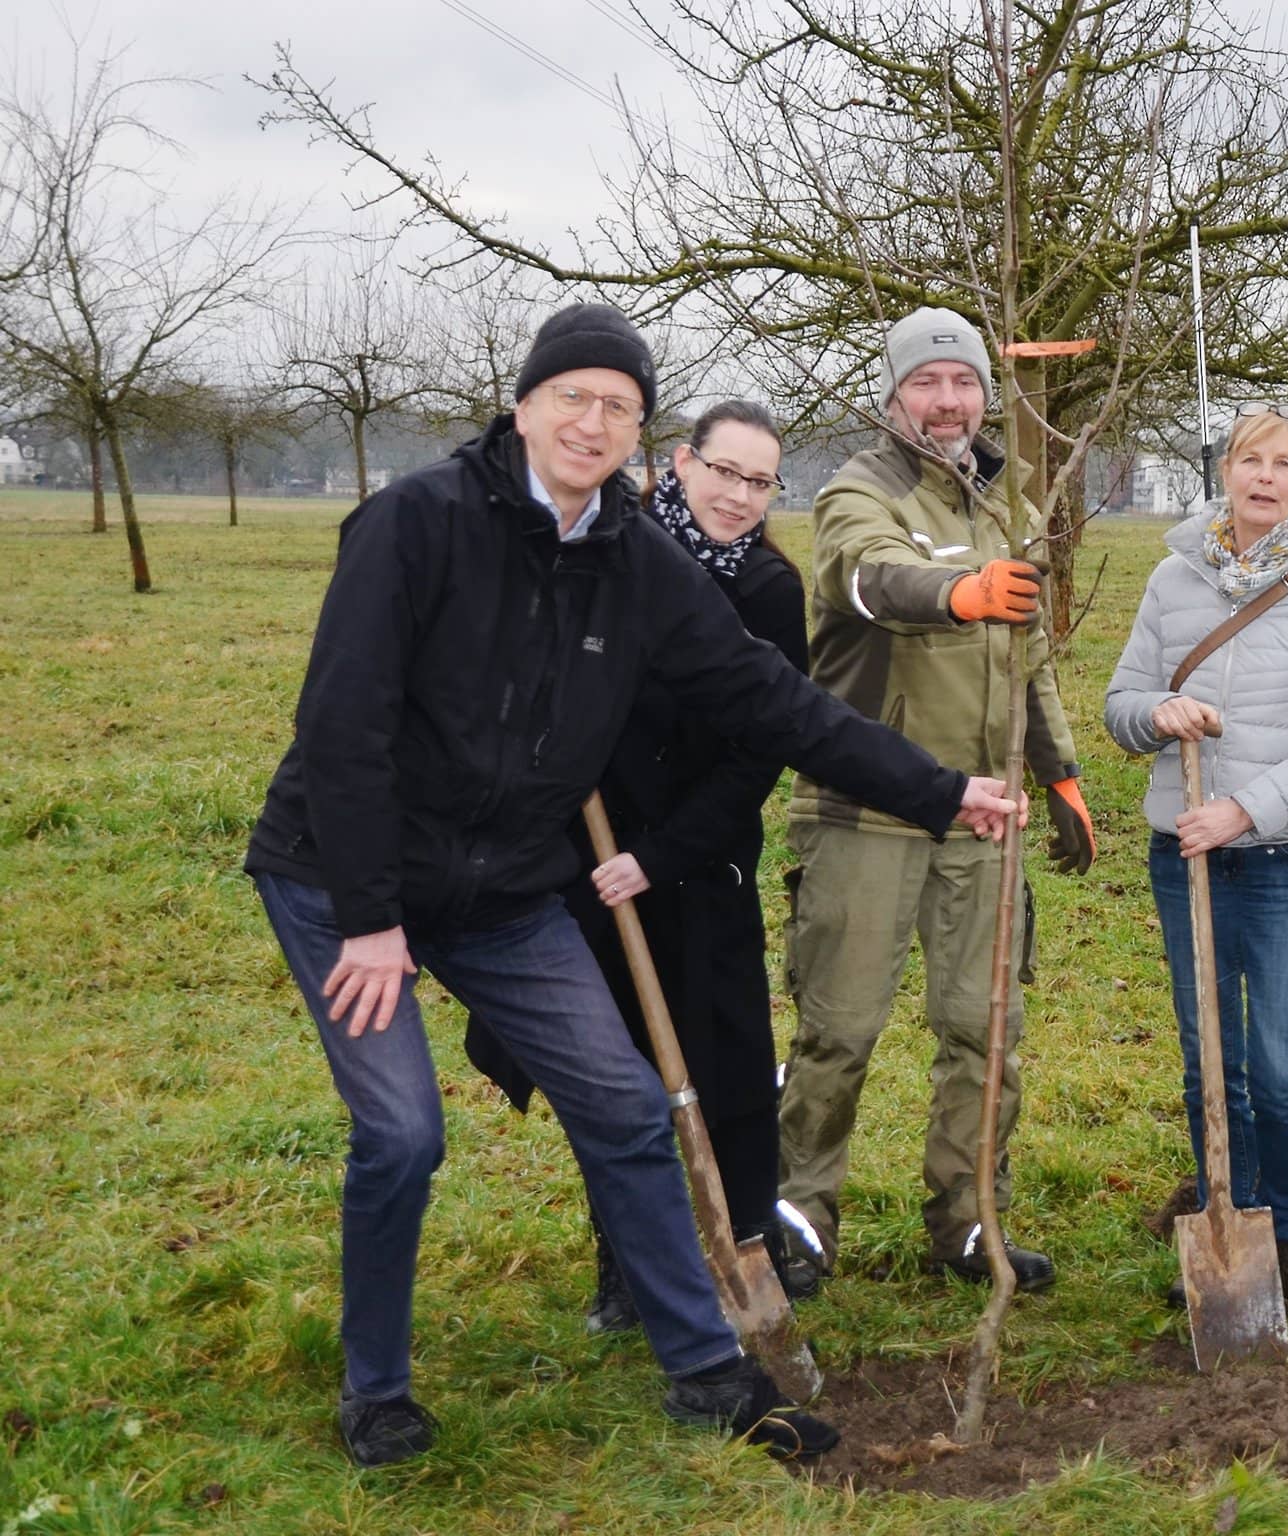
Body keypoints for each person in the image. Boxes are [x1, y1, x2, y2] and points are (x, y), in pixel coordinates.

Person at [243, 304, 1019, 1468]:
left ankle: (706, 1370)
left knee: (626, 1105)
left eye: (617, 405)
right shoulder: (413, 525)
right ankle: (375, 1385)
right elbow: (341, 727)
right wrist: (368, 921)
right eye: (573, 397)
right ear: (524, 406)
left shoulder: (635, 563)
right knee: (403, 1134)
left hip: (503, 886)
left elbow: (775, 704)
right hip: (346, 880)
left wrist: (935, 787)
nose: (591, 421)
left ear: (638, 434)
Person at [459, 400, 809, 1334]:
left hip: (701, 858)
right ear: (681, 464)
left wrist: (666, 853)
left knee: (730, 1070)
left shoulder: (772, 589)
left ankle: (746, 1242)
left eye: (759, 481)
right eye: (723, 472)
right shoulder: (607, 557)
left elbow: (764, 746)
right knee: (618, 1079)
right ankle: (627, 1266)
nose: (738, 495)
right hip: (593, 858)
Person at [775, 307, 1095, 1299]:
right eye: (927, 383)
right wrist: (956, 594)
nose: (947, 401)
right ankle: (797, 1217)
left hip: (983, 809)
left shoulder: (1008, 502)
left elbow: (1028, 654)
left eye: (962, 383)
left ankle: (966, 1217)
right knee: (841, 1027)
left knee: (980, 1027)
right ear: (894, 395)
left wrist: (1060, 772)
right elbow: (863, 577)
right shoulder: (854, 491)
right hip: (867, 808)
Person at [1103, 402, 1288, 1328]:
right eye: (1248, 460)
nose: (1265, 477)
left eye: (1285, 464)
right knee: (1208, 1059)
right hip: (1184, 852)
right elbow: (1119, 703)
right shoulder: (1171, 580)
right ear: (1224, 473)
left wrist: (1245, 809)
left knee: (1277, 1065)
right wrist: (1158, 715)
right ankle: (1226, 1211)